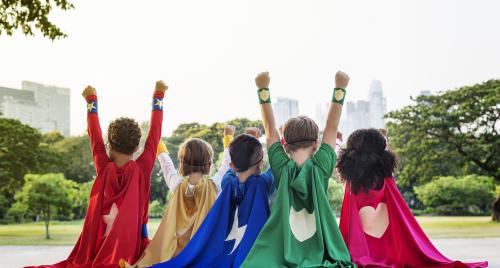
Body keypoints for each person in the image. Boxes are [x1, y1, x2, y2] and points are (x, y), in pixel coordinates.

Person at [26, 82, 167, 268]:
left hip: (95, 251)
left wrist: (91, 101)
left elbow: (95, 135)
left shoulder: (103, 166)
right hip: (128, 255)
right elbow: (154, 135)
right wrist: (158, 96)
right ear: (135, 147)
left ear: (109, 142)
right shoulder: (142, 169)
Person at [241, 71, 354, 267]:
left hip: (281, 254)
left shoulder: (281, 167)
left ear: (284, 145)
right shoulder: (321, 166)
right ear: (315, 144)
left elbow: (270, 129)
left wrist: (263, 89)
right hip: (320, 253)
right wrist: (340, 88)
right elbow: (331, 126)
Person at [338, 128, 488, 267]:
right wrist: (384, 139)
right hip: (393, 250)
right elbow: (382, 155)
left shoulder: (350, 185)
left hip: (363, 250)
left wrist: (340, 142)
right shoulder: (387, 179)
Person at [122, 126, 234, 267]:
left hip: (175, 254)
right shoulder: (214, 185)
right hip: (202, 254)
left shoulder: (177, 184)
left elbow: (166, 165)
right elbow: (226, 165)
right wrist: (228, 137)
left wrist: (159, 143)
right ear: (209, 163)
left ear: (182, 163)